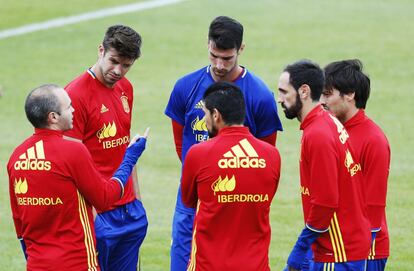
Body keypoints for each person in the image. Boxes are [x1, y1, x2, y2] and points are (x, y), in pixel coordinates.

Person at [165, 15, 283, 270]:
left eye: (227, 58)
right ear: (207, 44)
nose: (219, 65)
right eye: (213, 55)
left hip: (238, 201)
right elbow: (180, 144)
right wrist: (202, 177)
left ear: (241, 49)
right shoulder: (185, 87)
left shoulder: (260, 96)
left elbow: (266, 157)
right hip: (192, 196)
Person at [7, 84, 148, 270]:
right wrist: (130, 157)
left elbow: (19, 224)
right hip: (78, 263)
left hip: (37, 265)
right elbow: (105, 198)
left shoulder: (16, 157)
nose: (73, 110)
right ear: (53, 117)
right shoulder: (73, 152)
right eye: (68, 107)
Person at [64, 25, 147, 271]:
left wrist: (137, 200)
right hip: (97, 211)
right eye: (113, 61)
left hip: (129, 207)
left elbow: (125, 147)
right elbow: (69, 163)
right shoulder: (75, 95)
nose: (118, 71)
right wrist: (90, 214)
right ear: (101, 50)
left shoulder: (126, 89)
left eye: (126, 65)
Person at [277, 60, 371, 271]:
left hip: (337, 252)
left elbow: (326, 202)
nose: (279, 99)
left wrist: (299, 250)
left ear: (303, 91)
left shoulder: (318, 134)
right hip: (345, 246)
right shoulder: (326, 121)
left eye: (284, 92)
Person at [181, 82, 281, 270]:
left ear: (216, 115)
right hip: (256, 265)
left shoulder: (198, 153)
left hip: (207, 265)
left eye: (205, 114)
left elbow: (188, 200)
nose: (205, 120)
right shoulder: (272, 155)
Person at [320, 59, 390, 271]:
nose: (321, 101)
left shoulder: (373, 140)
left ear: (349, 95)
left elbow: (374, 205)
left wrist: (359, 254)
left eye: (327, 94)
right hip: (335, 244)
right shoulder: (330, 131)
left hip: (363, 251)